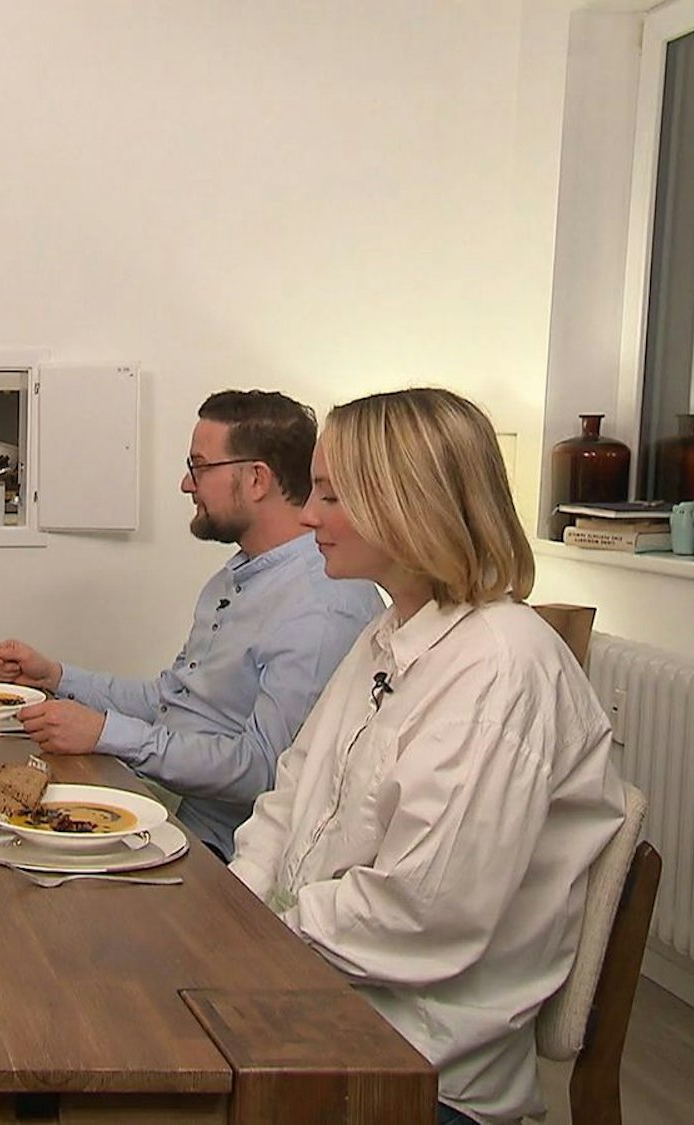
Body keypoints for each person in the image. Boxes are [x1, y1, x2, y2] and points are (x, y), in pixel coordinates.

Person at [230, 387, 627, 1125]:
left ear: (408, 505)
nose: (308, 516)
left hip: (413, 1070)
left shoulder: (501, 668)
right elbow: (290, 796)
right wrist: (234, 910)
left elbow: (422, 911)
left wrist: (257, 940)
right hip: (313, 999)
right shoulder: (391, 633)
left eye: (330, 495)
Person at [0, 390, 382, 861]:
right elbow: (168, 700)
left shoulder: (321, 605)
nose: (185, 484)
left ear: (257, 479)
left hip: (217, 850)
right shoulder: (233, 579)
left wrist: (108, 733)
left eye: (199, 467)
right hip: (162, 805)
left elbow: (267, 772)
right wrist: (57, 677)